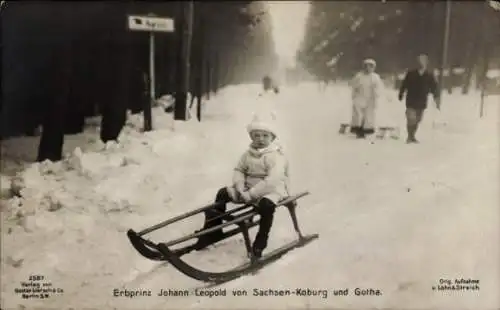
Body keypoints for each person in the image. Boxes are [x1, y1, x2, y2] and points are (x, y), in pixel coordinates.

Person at [194, 112, 290, 258]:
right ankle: (213, 231)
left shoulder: (275, 156)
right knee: (222, 193)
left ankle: (260, 243)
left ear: (272, 138)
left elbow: (272, 181)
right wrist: (239, 187)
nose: (261, 139)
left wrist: (251, 194)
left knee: (267, 206)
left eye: (265, 136)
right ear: (251, 137)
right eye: (256, 135)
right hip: (246, 189)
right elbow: (239, 170)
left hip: (269, 191)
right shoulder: (247, 154)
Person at [398, 54, 439, 143]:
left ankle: (412, 136)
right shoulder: (411, 73)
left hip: (422, 100)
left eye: (424, 61)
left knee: (418, 119)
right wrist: (401, 94)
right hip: (411, 99)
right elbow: (404, 84)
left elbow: (434, 87)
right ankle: (410, 136)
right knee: (411, 118)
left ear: (426, 63)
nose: (422, 63)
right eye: (420, 61)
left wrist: (436, 97)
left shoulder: (429, 75)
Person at [349, 59, 384, 139]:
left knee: (368, 116)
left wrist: (376, 95)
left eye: (370, 67)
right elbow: (353, 85)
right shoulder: (359, 76)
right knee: (358, 115)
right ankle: (358, 130)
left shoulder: (375, 77)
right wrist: (354, 95)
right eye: (366, 66)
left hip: (370, 99)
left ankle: (365, 130)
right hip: (360, 97)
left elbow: (378, 88)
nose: (368, 68)